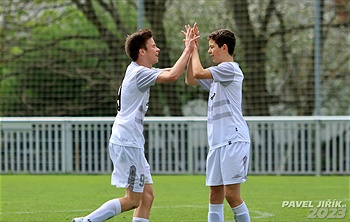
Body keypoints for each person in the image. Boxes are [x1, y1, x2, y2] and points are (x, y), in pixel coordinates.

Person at [72, 26, 198, 222]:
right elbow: (173, 76)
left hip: (131, 142)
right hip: (127, 142)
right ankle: (85, 221)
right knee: (133, 200)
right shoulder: (139, 74)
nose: (158, 49)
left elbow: (171, 71)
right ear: (142, 51)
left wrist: (189, 52)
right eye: (153, 46)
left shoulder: (137, 70)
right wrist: (188, 49)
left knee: (147, 197)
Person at [185, 24, 251, 222]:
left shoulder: (230, 69)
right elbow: (190, 78)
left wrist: (193, 47)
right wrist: (190, 51)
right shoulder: (217, 75)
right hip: (218, 142)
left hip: (233, 139)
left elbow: (198, 73)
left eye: (212, 46)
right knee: (215, 193)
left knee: (231, 195)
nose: (209, 51)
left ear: (224, 48)